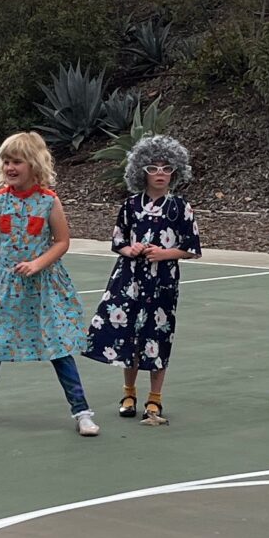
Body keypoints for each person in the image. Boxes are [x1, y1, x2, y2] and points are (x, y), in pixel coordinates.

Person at [0, 131, 97, 436]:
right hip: (5, 289)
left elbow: (62, 241)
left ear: (34, 165)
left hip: (44, 289)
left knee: (57, 346)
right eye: (6, 161)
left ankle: (82, 411)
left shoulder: (49, 201)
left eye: (17, 162)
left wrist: (38, 263)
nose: (10, 167)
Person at [87, 133, 202, 424]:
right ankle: (128, 394)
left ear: (176, 171)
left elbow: (191, 248)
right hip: (130, 280)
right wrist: (132, 249)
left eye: (166, 168)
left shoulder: (180, 207)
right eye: (153, 168)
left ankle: (155, 398)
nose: (160, 173)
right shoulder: (130, 205)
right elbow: (119, 241)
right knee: (130, 334)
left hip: (162, 282)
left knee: (158, 335)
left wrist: (164, 254)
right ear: (141, 171)